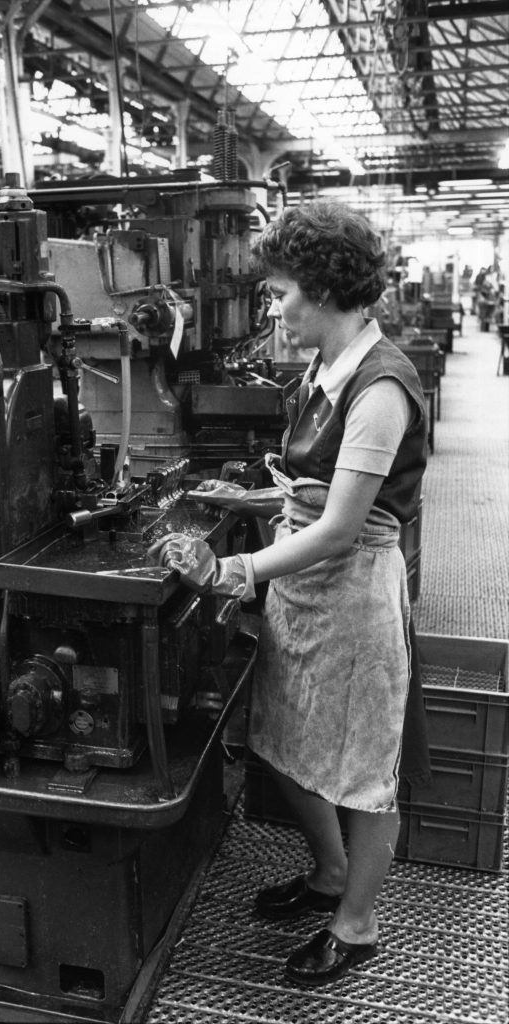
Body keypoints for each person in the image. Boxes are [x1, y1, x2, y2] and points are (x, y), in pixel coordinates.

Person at [148, 200, 430, 987]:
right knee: (286, 743)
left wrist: (229, 572)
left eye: (279, 293)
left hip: (353, 593)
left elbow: (343, 526)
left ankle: (357, 923)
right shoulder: (322, 371)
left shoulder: (381, 386)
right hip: (302, 585)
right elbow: (313, 490)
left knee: (363, 770)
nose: (273, 308)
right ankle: (332, 873)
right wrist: (245, 504)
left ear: (322, 287)